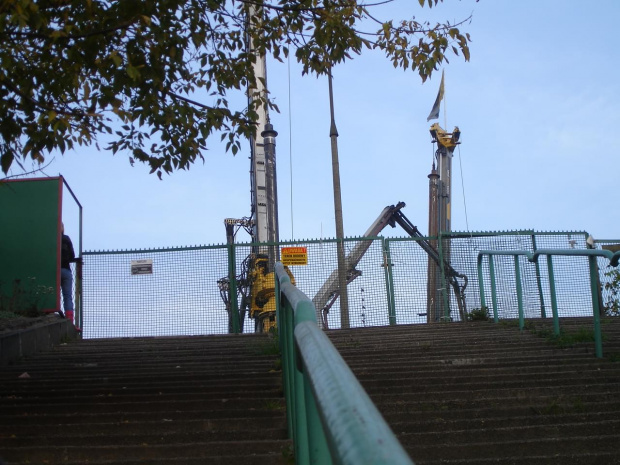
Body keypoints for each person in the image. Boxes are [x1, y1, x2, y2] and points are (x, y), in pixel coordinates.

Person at [60, 223, 79, 326]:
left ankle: (55, 313)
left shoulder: (50, 240)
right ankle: (69, 321)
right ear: (63, 228)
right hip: (66, 270)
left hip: (53, 271)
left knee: (53, 294)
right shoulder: (66, 239)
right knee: (67, 296)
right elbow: (72, 256)